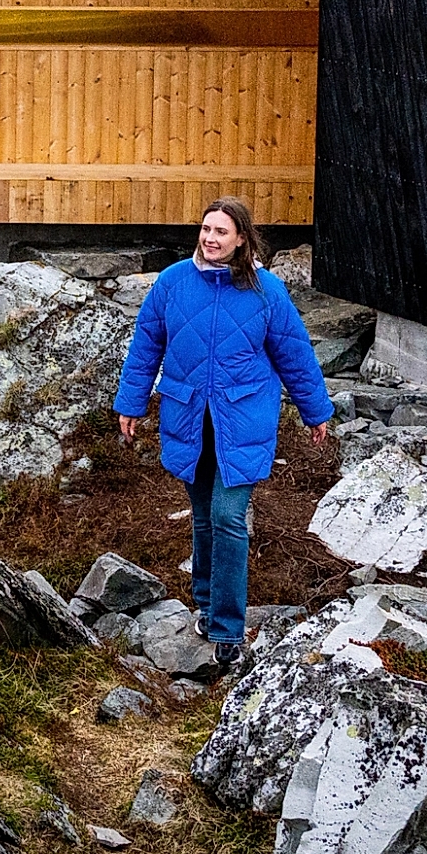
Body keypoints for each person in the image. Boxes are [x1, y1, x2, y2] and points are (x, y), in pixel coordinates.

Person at [112, 196, 335, 674]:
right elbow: (146, 345)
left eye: (221, 232)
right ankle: (207, 606)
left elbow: (295, 355)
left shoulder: (267, 292)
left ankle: (229, 629)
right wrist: (130, 404)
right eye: (206, 229)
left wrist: (315, 412)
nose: (210, 238)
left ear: (241, 239)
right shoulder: (172, 283)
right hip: (188, 418)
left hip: (242, 422)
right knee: (202, 517)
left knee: (229, 516)